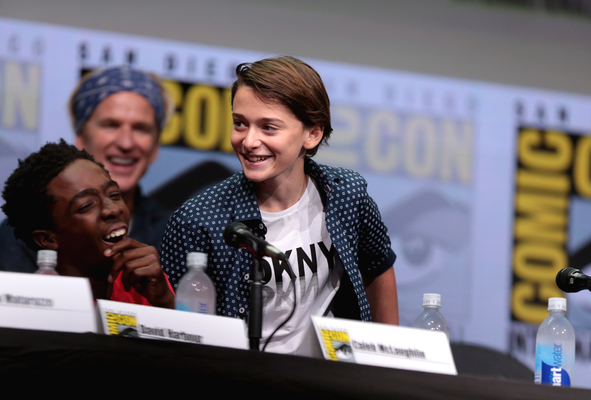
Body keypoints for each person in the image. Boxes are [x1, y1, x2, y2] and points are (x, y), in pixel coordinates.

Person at [160, 56, 399, 354]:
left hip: (330, 370)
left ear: (312, 134)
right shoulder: (198, 220)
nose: (249, 141)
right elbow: (172, 323)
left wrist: (390, 359)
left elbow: (378, 266)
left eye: (268, 127)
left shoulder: (345, 194)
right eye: (240, 123)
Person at [0, 65, 173, 273]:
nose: (126, 143)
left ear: (155, 147)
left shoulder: (175, 235)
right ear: (81, 139)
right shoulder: (22, 236)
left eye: (140, 128)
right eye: (111, 125)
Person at [1, 140, 174, 308]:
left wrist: (164, 300)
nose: (113, 209)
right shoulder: (33, 307)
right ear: (47, 239)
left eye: (114, 195)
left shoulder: (147, 285)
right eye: (86, 206)